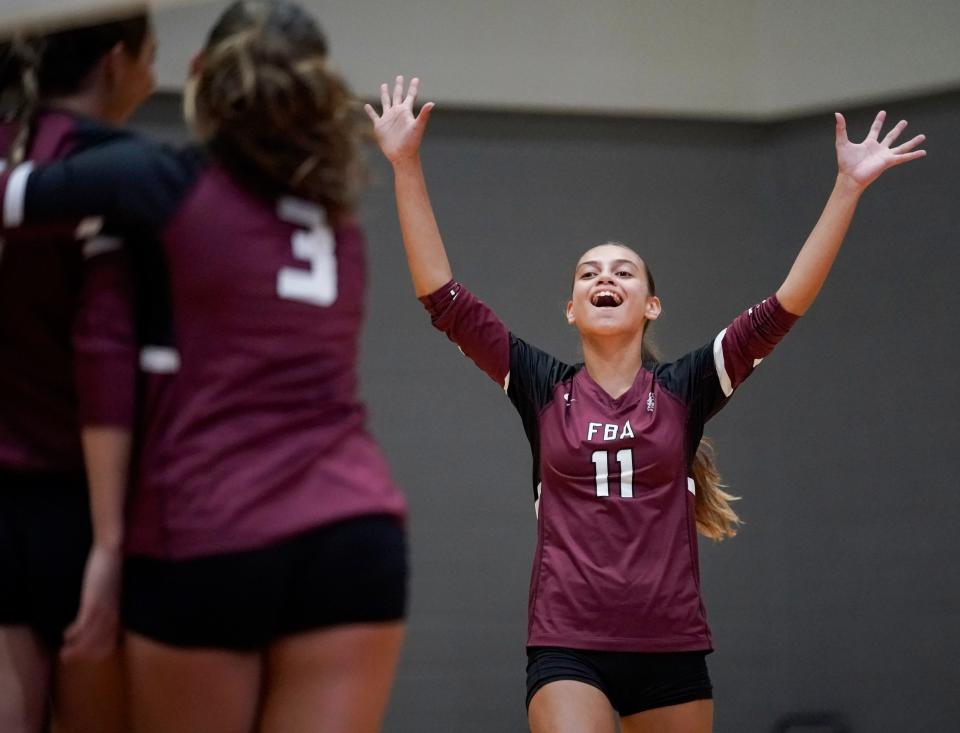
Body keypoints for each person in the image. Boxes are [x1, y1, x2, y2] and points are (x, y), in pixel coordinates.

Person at [365, 77, 926, 733]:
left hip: (672, 650)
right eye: (588, 272)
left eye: (623, 270)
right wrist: (405, 165)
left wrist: (845, 188)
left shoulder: (683, 390)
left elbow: (783, 308)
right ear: (572, 307)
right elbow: (445, 303)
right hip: (567, 644)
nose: (605, 276)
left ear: (650, 304)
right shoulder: (543, 386)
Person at [0, 2, 408, 732]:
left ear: (200, 75)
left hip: (212, 527)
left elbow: (19, 203)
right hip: (356, 531)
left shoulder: (161, 180)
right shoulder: (337, 214)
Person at [0, 11, 156, 733]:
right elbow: (107, 350)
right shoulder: (115, 169)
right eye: (152, 59)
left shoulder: (14, 151)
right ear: (117, 62)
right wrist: (109, 537)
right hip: (83, 502)